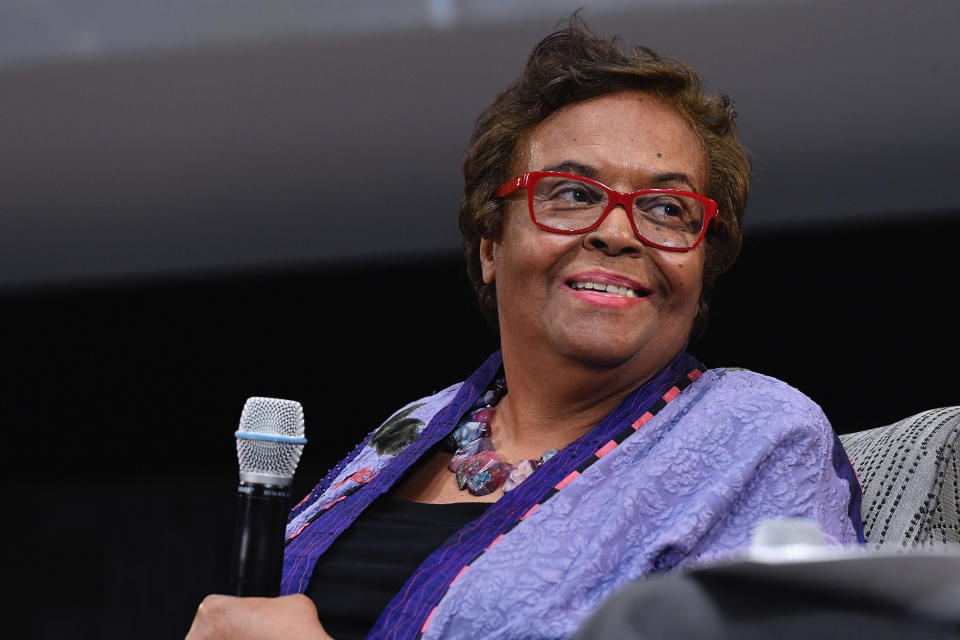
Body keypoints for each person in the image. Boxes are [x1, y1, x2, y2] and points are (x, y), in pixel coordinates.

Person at [187, 18, 863, 640]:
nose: (619, 231)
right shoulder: (414, 428)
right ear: (490, 245)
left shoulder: (758, 435)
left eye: (665, 207)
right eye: (572, 194)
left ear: (702, 261)